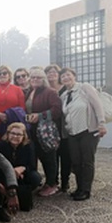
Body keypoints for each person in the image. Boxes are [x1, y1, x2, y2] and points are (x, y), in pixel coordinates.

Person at [60, 67, 107, 201]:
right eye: (62, 76)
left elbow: (98, 105)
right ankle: (79, 188)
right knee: (76, 161)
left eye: (68, 75)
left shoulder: (84, 88)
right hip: (72, 133)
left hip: (88, 131)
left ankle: (86, 190)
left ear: (74, 76)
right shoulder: (64, 96)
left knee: (87, 161)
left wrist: (102, 123)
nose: (65, 78)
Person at [25, 67, 62, 197]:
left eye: (38, 77)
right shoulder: (30, 92)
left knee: (49, 158)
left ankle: (52, 184)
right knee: (37, 156)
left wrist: (40, 116)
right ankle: (43, 182)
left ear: (43, 79)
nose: (35, 79)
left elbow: (57, 110)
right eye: (33, 77)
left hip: (45, 131)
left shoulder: (50, 92)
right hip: (32, 130)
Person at [45, 64, 71, 192]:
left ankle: (65, 182)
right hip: (50, 129)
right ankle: (52, 181)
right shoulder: (44, 90)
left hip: (64, 128)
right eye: (49, 72)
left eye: (55, 71)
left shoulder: (65, 89)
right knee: (52, 157)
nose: (52, 74)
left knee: (65, 156)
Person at [0, 65, 26, 144]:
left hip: (12, 124)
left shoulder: (17, 89)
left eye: (4, 73)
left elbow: (22, 107)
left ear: (9, 75)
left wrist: (10, 116)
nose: (2, 75)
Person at [0, 122, 41, 191]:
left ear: (23, 136)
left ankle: (23, 192)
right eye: (13, 133)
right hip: (5, 172)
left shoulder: (29, 146)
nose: (15, 136)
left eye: (19, 134)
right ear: (8, 134)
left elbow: (32, 165)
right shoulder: (2, 145)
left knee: (35, 177)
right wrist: (12, 171)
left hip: (23, 173)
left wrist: (22, 169)